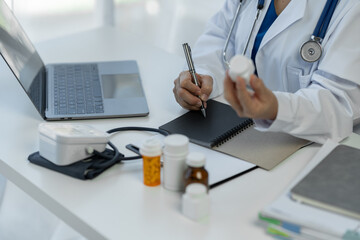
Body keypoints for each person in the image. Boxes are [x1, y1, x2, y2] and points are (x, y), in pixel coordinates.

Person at [173, 0, 360, 144]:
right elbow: (222, 35)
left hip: (309, 147)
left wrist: (276, 109)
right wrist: (202, 77)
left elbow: (339, 104)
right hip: (237, 132)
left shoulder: (351, 7)